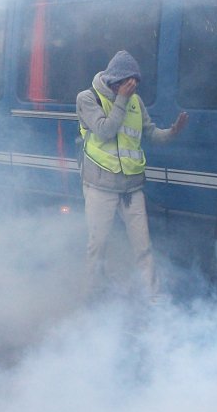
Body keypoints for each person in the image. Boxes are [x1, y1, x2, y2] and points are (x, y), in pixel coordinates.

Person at [76, 50, 188, 302]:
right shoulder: (87, 98)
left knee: (143, 247)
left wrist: (172, 132)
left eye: (135, 83)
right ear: (114, 79)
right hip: (100, 186)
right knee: (98, 246)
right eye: (127, 82)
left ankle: (153, 298)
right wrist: (122, 101)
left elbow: (151, 134)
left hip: (131, 188)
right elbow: (105, 131)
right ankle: (91, 296)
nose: (132, 87)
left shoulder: (135, 101)